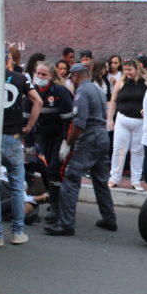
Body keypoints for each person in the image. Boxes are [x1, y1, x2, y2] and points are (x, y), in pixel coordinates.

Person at [45, 63, 117, 236]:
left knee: (71, 179)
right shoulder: (98, 90)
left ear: (76, 76)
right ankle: (109, 219)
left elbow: (79, 125)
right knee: (100, 180)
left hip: (89, 139)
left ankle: (66, 224)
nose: (72, 81)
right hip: (102, 137)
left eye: (72, 78)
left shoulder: (82, 92)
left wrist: (68, 144)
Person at [0, 65, 42, 246]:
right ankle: (17, 233)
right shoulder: (21, 78)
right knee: (16, 187)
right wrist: (29, 126)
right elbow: (38, 101)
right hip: (14, 138)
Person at [29, 60, 73, 224]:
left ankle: (56, 207)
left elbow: (69, 121)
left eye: (43, 74)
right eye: (38, 74)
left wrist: (67, 143)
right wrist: (29, 143)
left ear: (51, 76)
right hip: (44, 137)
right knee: (48, 170)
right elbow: (28, 120)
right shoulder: (32, 93)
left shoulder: (60, 92)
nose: (40, 77)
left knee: (55, 169)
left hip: (59, 137)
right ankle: (53, 198)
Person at [107, 59, 147, 190]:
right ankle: (114, 178)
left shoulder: (146, 81)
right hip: (122, 119)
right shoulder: (121, 82)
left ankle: (135, 180)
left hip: (140, 121)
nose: (127, 72)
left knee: (137, 151)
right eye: (125, 69)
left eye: (130, 69)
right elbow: (113, 101)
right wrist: (110, 119)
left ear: (137, 69)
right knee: (118, 150)